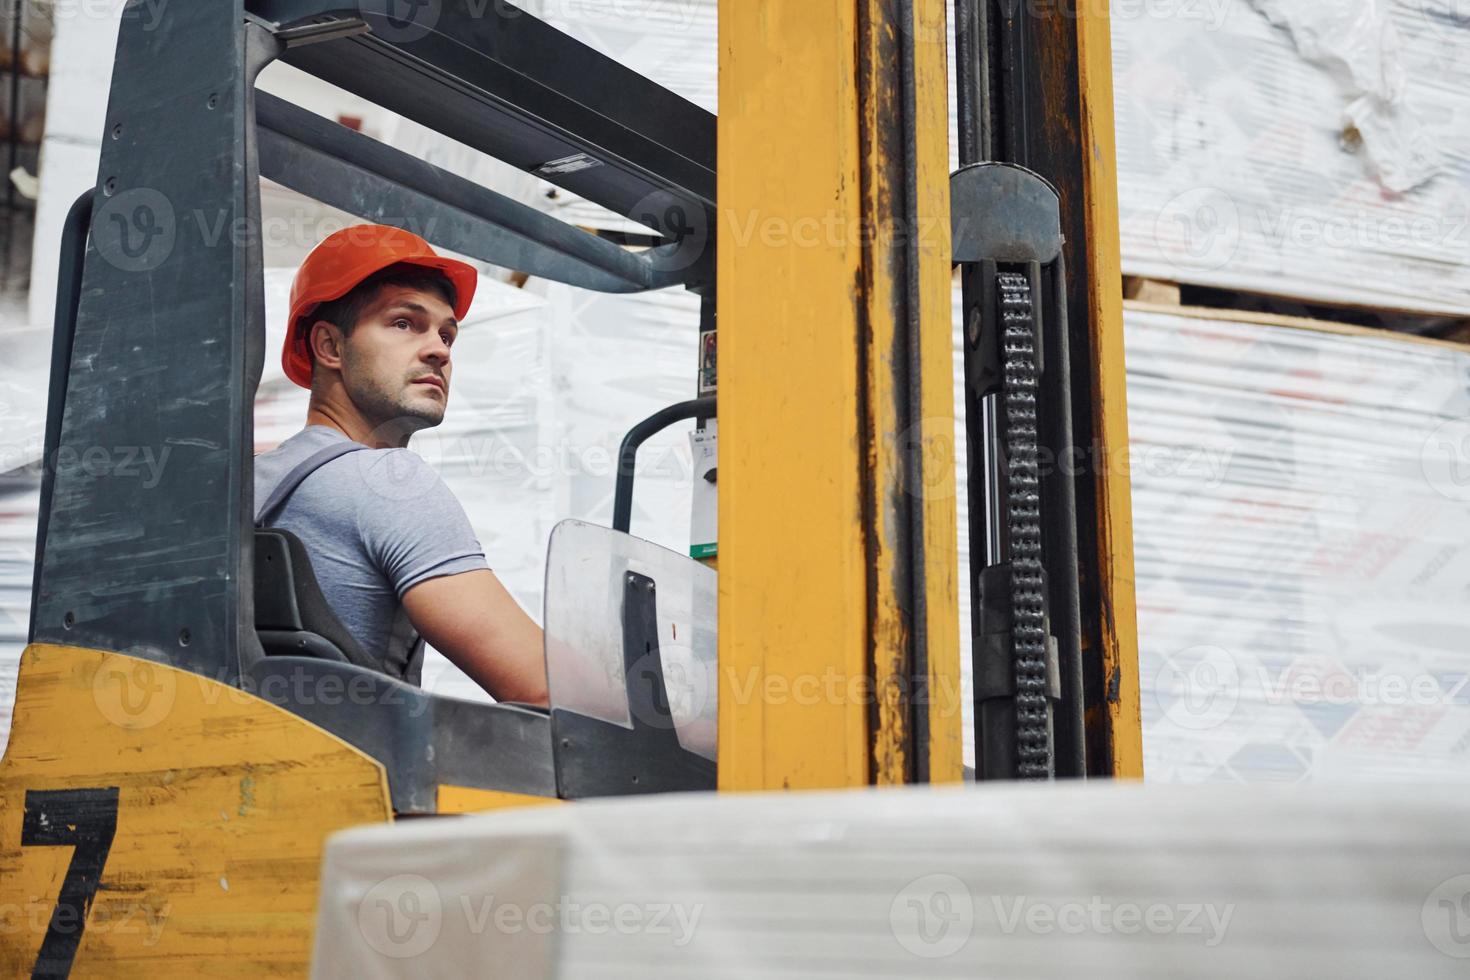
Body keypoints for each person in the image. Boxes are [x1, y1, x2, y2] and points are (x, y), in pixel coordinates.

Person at [253, 224, 548, 705]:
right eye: (404, 323)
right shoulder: (390, 481)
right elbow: (542, 687)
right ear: (329, 347)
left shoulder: (244, 486)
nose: (439, 350)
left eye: (447, 334)